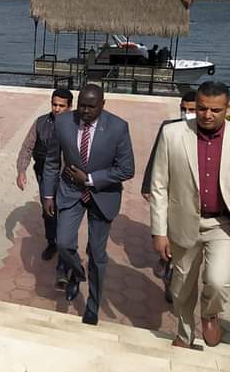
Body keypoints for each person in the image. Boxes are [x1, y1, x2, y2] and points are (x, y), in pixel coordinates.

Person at [149, 81, 230, 348]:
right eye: (202, 108)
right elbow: (159, 186)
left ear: (228, 107)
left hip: (223, 225)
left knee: (218, 281)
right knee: (181, 286)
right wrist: (159, 231)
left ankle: (210, 314)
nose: (207, 115)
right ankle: (184, 334)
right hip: (183, 222)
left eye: (215, 110)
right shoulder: (173, 134)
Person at [43, 84, 134, 325]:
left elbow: (127, 169)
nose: (85, 111)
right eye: (81, 105)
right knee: (63, 243)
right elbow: (52, 161)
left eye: (91, 107)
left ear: (102, 105)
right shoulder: (63, 123)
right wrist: (48, 195)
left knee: (96, 253)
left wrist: (91, 179)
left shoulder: (118, 127)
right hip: (70, 192)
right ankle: (76, 271)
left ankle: (92, 306)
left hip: (102, 196)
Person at [141, 90, 197, 303]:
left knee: (182, 242)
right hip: (168, 193)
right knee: (167, 234)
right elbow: (156, 156)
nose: (186, 113)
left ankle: (173, 277)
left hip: (191, 198)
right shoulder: (169, 128)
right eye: (183, 108)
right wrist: (147, 185)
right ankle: (168, 269)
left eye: (191, 109)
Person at [15, 88, 73, 288]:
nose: (57, 109)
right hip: (44, 175)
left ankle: (64, 260)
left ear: (69, 107)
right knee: (48, 212)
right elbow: (27, 147)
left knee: (65, 216)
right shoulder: (41, 122)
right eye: (54, 104)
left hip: (69, 178)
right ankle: (52, 242)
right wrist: (21, 170)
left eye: (61, 106)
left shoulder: (76, 124)